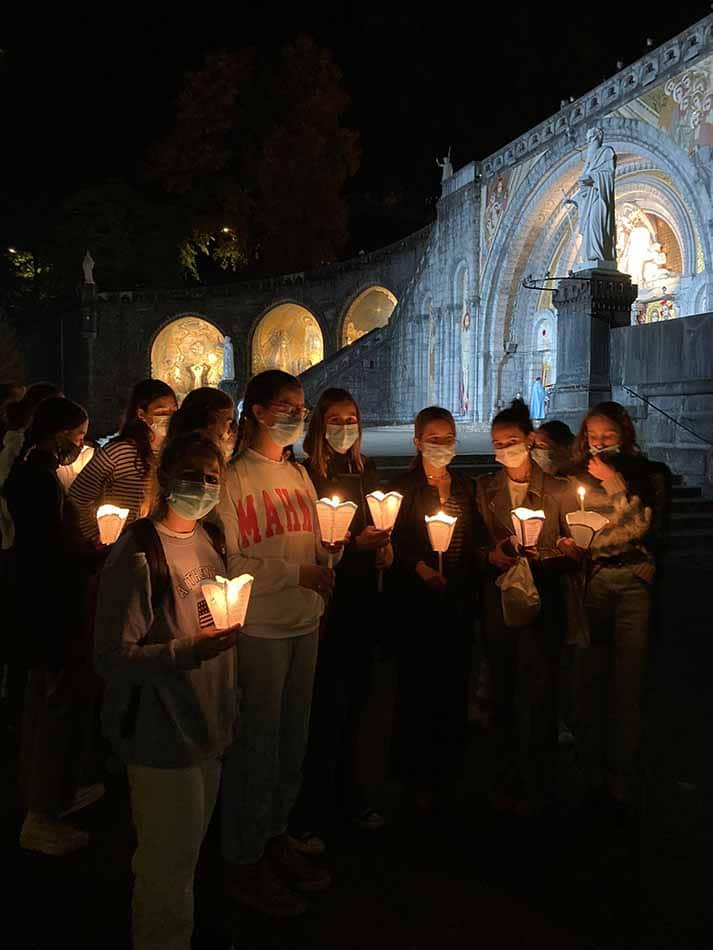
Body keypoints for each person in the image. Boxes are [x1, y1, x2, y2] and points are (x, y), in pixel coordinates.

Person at [95, 432, 239, 950]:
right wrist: (186, 653)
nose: (201, 486)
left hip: (209, 729)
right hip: (161, 735)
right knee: (166, 868)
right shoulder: (138, 553)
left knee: (184, 858)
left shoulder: (210, 538)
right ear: (164, 476)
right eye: (191, 474)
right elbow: (111, 657)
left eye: (211, 477)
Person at [217, 370, 342, 918]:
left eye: (302, 405)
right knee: (257, 748)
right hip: (261, 630)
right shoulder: (233, 478)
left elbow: (317, 544)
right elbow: (231, 563)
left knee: (292, 745)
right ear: (259, 412)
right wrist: (297, 574)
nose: (299, 413)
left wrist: (331, 555)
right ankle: (243, 861)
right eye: (288, 405)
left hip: (304, 624)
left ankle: (275, 839)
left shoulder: (298, 474)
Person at [290, 387, 393, 851]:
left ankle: (352, 793)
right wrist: (355, 545)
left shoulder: (364, 468)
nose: (345, 426)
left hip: (362, 599)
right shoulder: (305, 473)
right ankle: (310, 805)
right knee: (319, 704)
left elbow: (377, 517)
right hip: (323, 596)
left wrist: (384, 543)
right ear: (318, 425)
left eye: (351, 418)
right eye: (335, 418)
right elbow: (310, 539)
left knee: (356, 702)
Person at [4, 396, 105, 855]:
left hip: (47, 603)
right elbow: (49, 550)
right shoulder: (35, 478)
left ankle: (59, 793)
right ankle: (39, 815)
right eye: (79, 438)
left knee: (60, 703)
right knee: (48, 708)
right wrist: (94, 552)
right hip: (46, 608)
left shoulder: (37, 472)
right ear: (60, 433)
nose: (79, 446)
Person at [475, 399, 579, 815]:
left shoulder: (558, 489)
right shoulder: (485, 489)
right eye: (498, 444)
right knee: (501, 689)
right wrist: (493, 554)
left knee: (541, 691)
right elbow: (479, 546)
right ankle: (504, 775)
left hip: (543, 602)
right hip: (501, 601)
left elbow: (575, 547)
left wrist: (553, 554)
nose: (505, 450)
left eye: (512, 441)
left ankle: (542, 775)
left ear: (529, 440)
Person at [570, 402, 669, 812]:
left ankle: (622, 773)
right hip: (594, 582)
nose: (599, 443)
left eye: (607, 435)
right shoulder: (576, 476)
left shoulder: (643, 474)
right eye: (593, 436)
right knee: (590, 677)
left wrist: (614, 485)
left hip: (633, 583)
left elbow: (642, 526)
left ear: (624, 434)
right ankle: (590, 766)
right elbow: (580, 530)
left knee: (628, 680)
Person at [389, 406, 478, 814]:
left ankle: (450, 772)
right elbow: (396, 542)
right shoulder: (404, 488)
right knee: (417, 688)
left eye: (448, 438)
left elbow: (474, 537)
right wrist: (422, 569)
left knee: (453, 686)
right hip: (418, 604)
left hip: (456, 600)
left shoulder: (464, 487)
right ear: (418, 442)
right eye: (435, 439)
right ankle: (413, 775)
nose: (443, 446)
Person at [70, 379, 177, 540]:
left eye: (173, 411)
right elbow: (78, 497)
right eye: (161, 412)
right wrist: (97, 536)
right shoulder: (120, 451)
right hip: (119, 545)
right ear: (141, 414)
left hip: (157, 543)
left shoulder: (173, 453)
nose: (169, 417)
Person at [167, 386, 236, 462]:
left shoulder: (175, 452)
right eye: (229, 423)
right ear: (211, 421)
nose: (230, 431)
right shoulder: (202, 461)